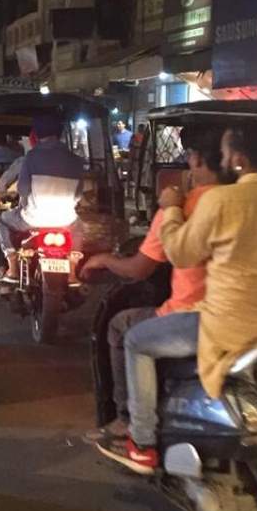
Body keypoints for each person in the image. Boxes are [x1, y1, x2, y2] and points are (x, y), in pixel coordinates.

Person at [109, 121, 257, 475]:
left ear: (238, 159)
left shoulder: (222, 200)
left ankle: (142, 441)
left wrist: (172, 209)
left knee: (134, 340)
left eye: (225, 152)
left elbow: (180, 253)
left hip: (223, 327)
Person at [83, 125, 223, 454]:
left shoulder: (183, 207)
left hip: (195, 316)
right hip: (252, 316)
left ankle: (131, 422)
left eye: (188, 156)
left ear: (196, 159)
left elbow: (138, 269)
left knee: (123, 328)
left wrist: (103, 259)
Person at [0, 114, 84, 280]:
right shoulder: (76, 161)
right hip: (65, 219)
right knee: (78, 227)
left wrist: (26, 202)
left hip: (33, 219)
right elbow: (78, 194)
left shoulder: (31, 157)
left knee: (3, 220)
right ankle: (72, 270)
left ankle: (13, 265)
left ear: (35, 135)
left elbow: (23, 189)